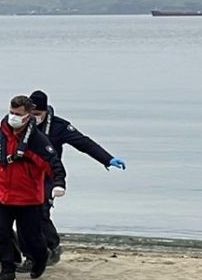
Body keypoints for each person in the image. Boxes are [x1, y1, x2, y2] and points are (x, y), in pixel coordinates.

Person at [24, 90, 126, 270]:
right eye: (31, 113)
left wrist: (107, 159)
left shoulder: (59, 126)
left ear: (45, 111)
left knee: (40, 213)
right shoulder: (20, 123)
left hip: (48, 176)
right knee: (23, 216)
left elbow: (84, 143)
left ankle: (52, 246)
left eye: (37, 114)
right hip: (23, 176)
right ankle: (31, 257)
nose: (34, 117)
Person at [0, 95, 66, 280]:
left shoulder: (36, 140)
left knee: (31, 237)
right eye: (11, 112)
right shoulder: (1, 133)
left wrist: (59, 183)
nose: (13, 117)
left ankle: (41, 257)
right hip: (3, 195)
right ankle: (7, 269)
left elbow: (52, 163)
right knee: (1, 232)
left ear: (27, 116)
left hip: (28, 199)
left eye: (17, 114)